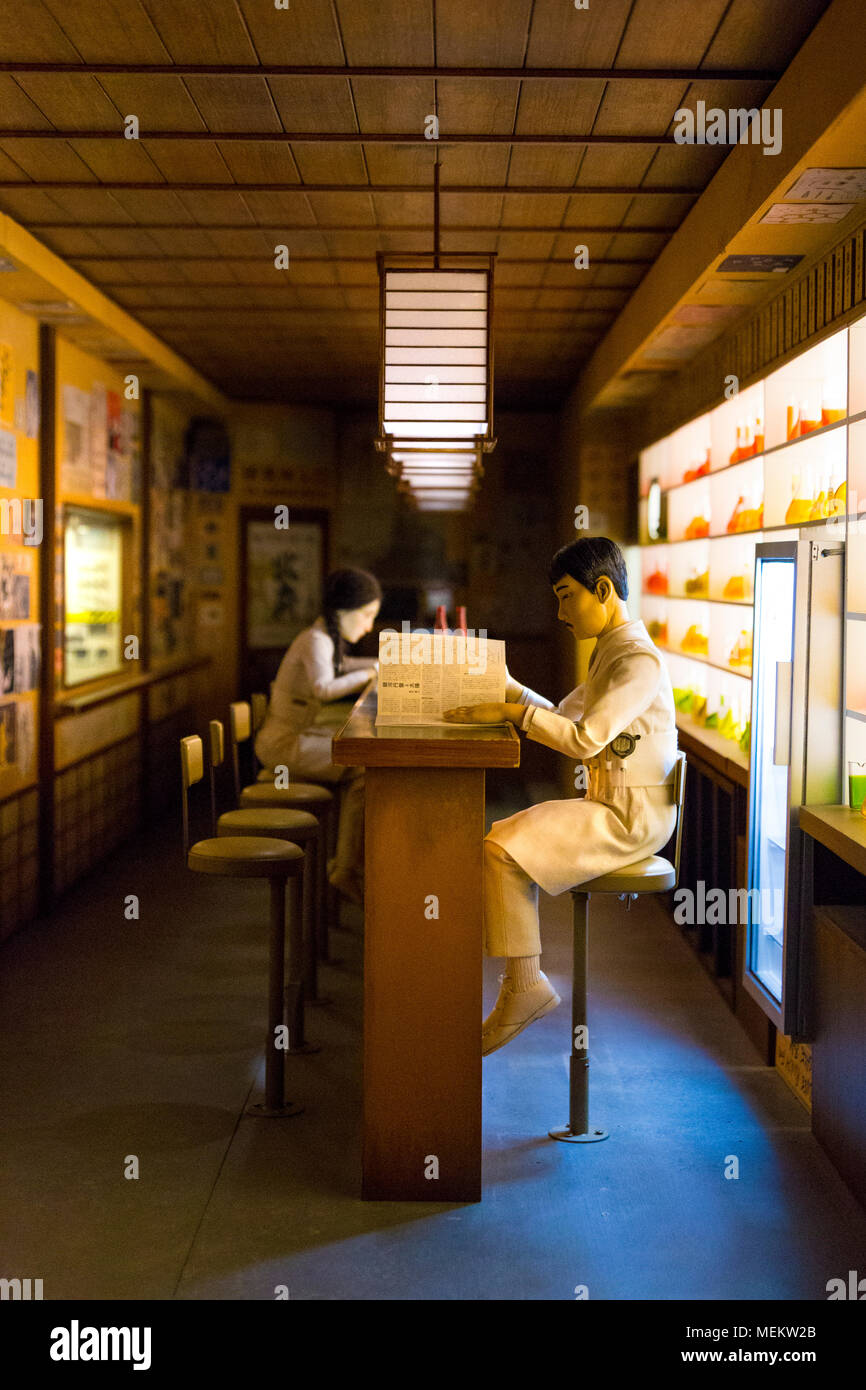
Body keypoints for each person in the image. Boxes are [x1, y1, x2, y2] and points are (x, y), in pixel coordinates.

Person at [443, 536, 678, 1055]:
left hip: (631, 817)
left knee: (501, 849)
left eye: (566, 596)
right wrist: (504, 684)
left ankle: (523, 989)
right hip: (613, 804)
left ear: (602, 589)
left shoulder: (639, 660)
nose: (560, 611)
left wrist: (509, 713)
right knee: (503, 842)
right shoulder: (613, 649)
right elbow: (564, 714)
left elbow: (582, 739)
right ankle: (522, 987)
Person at [255, 567, 381, 904]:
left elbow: (343, 666)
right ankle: (346, 868)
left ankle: (347, 863)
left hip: (292, 738)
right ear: (345, 611)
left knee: (363, 761)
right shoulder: (316, 639)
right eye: (367, 615)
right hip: (282, 746)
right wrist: (375, 670)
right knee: (365, 766)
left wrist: (382, 661)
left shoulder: (322, 638)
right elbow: (324, 687)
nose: (369, 625)